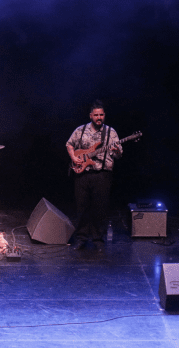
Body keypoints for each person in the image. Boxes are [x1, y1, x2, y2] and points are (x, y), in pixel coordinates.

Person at [66, 100, 122, 251]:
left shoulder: (111, 132)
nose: (99, 117)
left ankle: (98, 240)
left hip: (102, 175)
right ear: (91, 115)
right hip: (82, 174)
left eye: (101, 115)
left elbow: (118, 155)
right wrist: (73, 157)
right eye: (96, 115)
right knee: (81, 207)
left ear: (104, 116)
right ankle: (81, 239)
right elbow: (69, 144)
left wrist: (116, 150)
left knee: (100, 208)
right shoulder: (81, 130)